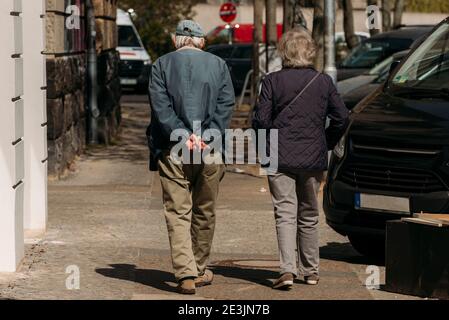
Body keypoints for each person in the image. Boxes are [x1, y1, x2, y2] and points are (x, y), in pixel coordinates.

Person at [252, 28, 349, 290]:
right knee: (309, 214)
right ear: (310, 52)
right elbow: (342, 117)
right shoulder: (323, 82)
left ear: (284, 51)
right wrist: (325, 142)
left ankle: (287, 270)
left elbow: (261, 120)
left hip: (278, 156)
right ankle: (311, 271)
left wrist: (266, 147)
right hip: (313, 156)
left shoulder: (272, 81)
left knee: (285, 214)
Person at [147, 20, 235, 294]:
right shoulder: (218, 65)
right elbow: (225, 104)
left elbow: (161, 108)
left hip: (172, 148)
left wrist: (184, 136)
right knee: (205, 210)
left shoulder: (160, 65)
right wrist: (205, 135)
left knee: (178, 212)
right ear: (201, 41)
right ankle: (197, 268)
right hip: (210, 149)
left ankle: (185, 274)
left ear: (176, 41)